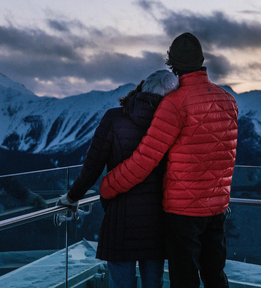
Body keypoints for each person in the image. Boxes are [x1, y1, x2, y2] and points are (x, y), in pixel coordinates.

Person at [99, 32, 238, 288]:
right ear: (201, 60)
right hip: (217, 207)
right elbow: (226, 156)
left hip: (183, 211)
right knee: (215, 275)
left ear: (171, 64)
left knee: (184, 280)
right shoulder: (228, 100)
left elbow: (145, 159)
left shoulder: (174, 103)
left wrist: (108, 185)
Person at [57, 69, 180, 288]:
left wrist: (72, 197)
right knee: (154, 283)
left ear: (142, 87)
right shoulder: (173, 124)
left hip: (119, 221)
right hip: (157, 222)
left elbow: (92, 166)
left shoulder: (114, 118)